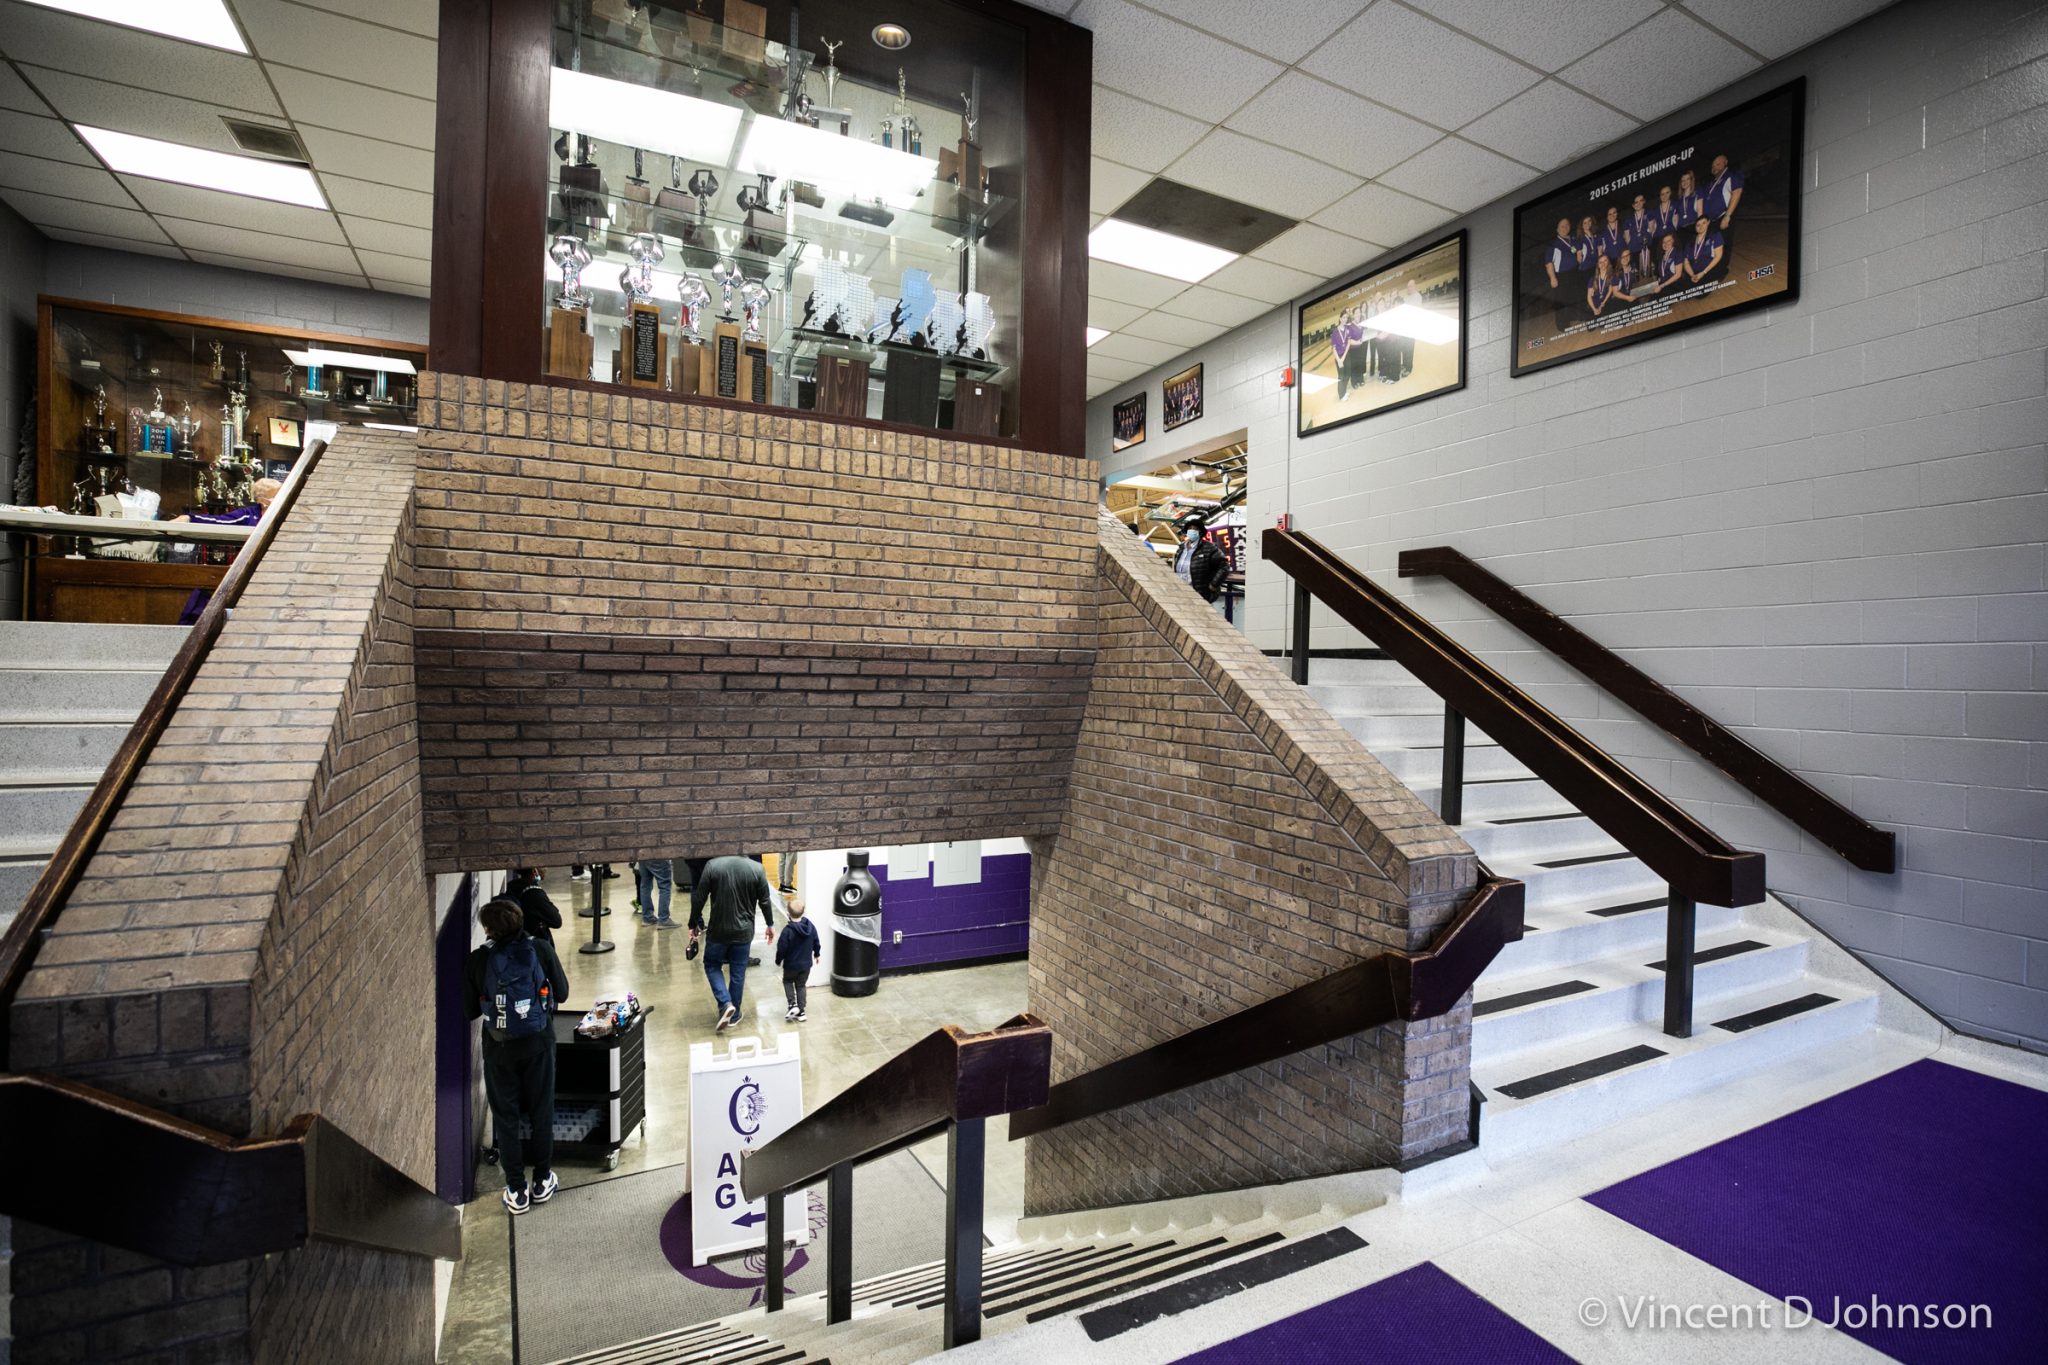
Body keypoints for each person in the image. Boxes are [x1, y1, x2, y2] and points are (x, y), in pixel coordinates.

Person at [465, 897, 570, 1215]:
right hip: (539, 1043)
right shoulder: (540, 949)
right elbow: (563, 993)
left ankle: (516, 1189)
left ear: (488, 929)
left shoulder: (478, 960)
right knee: (541, 1112)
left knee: (506, 1117)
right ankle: (542, 1180)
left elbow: (470, 1010)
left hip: (499, 1049)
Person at [689, 854, 777, 1031]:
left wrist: (693, 923)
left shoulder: (712, 865)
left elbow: (700, 896)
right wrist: (770, 924)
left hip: (718, 931)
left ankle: (725, 1003)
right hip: (744, 932)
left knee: (712, 965)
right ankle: (734, 1015)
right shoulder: (756, 868)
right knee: (738, 972)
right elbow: (765, 900)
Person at [775, 897, 821, 1022]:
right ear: (804, 912)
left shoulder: (787, 931)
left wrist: (778, 960)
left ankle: (792, 1004)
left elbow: (782, 948)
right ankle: (801, 1012)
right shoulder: (810, 927)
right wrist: (817, 954)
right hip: (806, 965)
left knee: (788, 981)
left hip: (791, 965)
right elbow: (816, 941)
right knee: (801, 986)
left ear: (788, 914)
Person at [504, 867, 563, 949]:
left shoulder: (512, 885)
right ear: (534, 871)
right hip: (532, 945)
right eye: (543, 867)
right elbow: (557, 921)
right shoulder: (534, 893)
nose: (546, 869)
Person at [1173, 519, 1228, 604]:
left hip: (1200, 595)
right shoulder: (1181, 549)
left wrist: (1214, 585)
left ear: (1200, 532)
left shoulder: (1209, 548)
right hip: (1181, 594)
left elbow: (1224, 567)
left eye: (1195, 529)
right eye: (1190, 528)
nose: (1192, 530)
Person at [1544, 216, 1579, 331]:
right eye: (1562, 226)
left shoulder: (1572, 240)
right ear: (1557, 229)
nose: (1565, 227)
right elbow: (1548, 262)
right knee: (1561, 300)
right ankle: (1561, 325)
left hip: (1573, 272)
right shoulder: (1553, 244)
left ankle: (1570, 317)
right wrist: (1552, 278)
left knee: (1571, 297)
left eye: (1567, 225)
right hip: (1561, 276)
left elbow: (1576, 252)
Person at [635, 856, 677, 927]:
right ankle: (664, 919)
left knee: (645, 886)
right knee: (665, 885)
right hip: (658, 854)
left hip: (642, 855)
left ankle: (647, 918)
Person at [1685, 214, 1725, 287]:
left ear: (1708, 223)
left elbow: (1718, 257)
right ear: (1695, 228)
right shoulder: (1690, 242)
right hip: (1694, 272)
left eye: (1704, 223)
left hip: (1708, 270)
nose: (1701, 226)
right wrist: (1692, 275)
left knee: (1700, 295)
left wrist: (1703, 272)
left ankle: (1721, 274)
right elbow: (1686, 262)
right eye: (1698, 225)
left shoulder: (1715, 236)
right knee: (1686, 289)